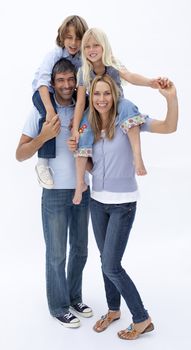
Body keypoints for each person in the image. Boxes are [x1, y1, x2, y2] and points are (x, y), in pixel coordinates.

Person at [68, 74, 178, 340]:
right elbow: (94, 166)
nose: (102, 99)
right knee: (106, 263)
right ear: (91, 97)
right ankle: (114, 310)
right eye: (97, 94)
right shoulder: (90, 126)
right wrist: (77, 154)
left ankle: (141, 318)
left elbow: (169, 127)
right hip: (98, 202)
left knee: (111, 265)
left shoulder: (129, 122)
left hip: (123, 205)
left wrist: (171, 99)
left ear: (115, 95)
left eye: (107, 94)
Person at [16, 58, 93, 328]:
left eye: (71, 79)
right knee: (57, 253)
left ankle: (74, 297)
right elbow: (20, 154)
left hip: (82, 190)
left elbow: (90, 151)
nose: (67, 85)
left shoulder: (81, 109)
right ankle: (58, 306)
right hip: (54, 193)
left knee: (81, 250)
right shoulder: (39, 112)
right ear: (52, 82)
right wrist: (44, 137)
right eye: (60, 80)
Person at [72, 27, 169, 204]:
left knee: (128, 107)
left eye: (96, 45)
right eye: (87, 47)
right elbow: (80, 103)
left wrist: (150, 82)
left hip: (117, 105)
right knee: (84, 132)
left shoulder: (113, 64)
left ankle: (137, 157)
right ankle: (80, 184)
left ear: (104, 47)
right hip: (96, 109)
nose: (91, 50)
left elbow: (130, 76)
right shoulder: (83, 71)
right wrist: (75, 129)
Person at [32, 15, 88, 189]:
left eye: (78, 38)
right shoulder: (54, 54)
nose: (73, 42)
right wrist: (49, 110)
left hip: (70, 94)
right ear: (62, 37)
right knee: (49, 119)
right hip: (44, 93)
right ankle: (43, 163)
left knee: (89, 104)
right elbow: (42, 82)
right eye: (69, 37)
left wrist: (78, 118)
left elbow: (82, 87)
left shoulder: (82, 59)